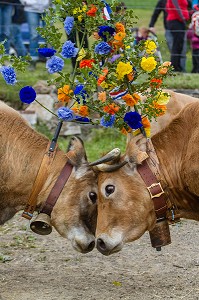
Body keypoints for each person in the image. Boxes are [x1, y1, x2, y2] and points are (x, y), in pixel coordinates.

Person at [149, 0, 188, 72]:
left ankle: (181, 69)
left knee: (181, 48)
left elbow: (187, 7)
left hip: (179, 24)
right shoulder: (163, 1)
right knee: (174, 48)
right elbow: (156, 13)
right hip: (172, 26)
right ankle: (175, 68)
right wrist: (151, 25)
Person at [19, 0, 51, 69]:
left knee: (49, 36)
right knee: (33, 35)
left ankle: (50, 62)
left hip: (48, 8)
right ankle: (33, 61)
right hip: (31, 8)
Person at [166, 0, 190, 72]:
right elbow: (175, 7)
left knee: (179, 44)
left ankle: (177, 65)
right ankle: (174, 66)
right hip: (176, 21)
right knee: (177, 45)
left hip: (179, 21)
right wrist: (182, 18)